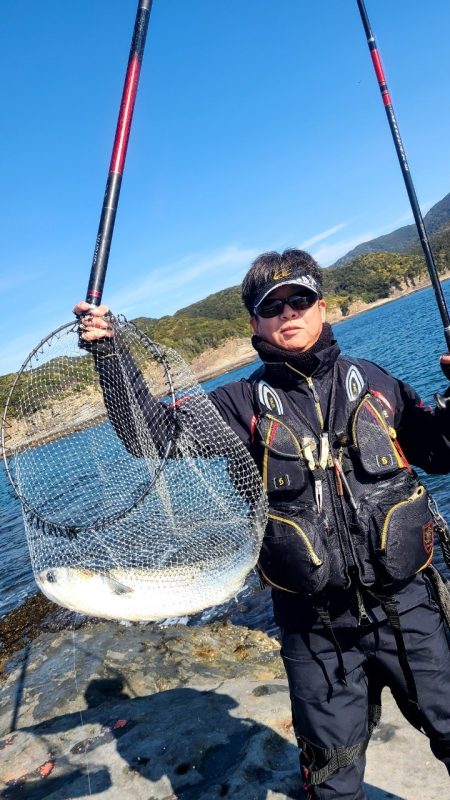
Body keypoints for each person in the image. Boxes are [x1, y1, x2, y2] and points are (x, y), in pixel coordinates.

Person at [74, 248, 450, 799]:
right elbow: (149, 436)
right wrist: (110, 354)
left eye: (300, 299)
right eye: (273, 306)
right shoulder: (234, 405)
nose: (289, 313)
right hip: (315, 631)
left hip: (409, 609)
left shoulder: (377, 382)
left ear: (322, 306)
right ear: (254, 322)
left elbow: (440, 453)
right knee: (333, 779)